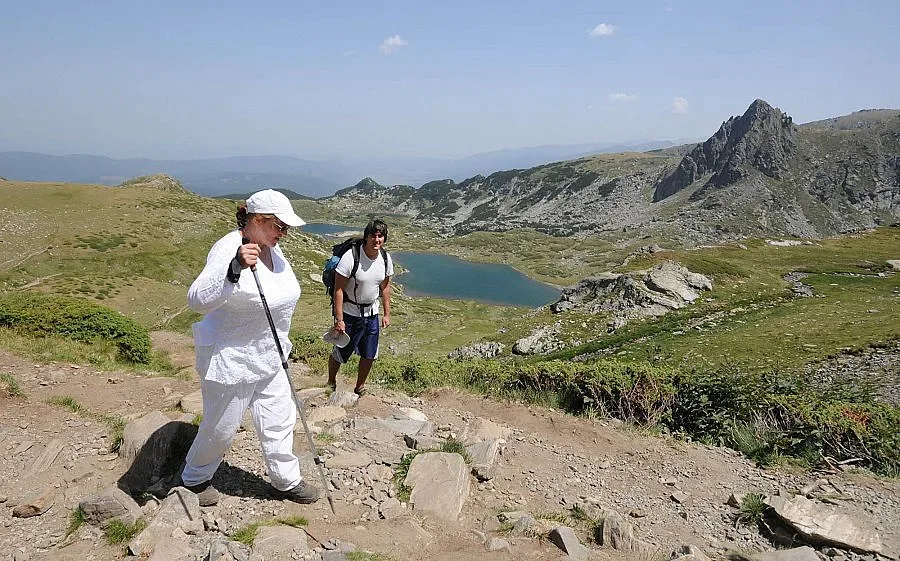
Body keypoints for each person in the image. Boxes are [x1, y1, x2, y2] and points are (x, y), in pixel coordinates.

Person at [180, 189, 319, 506]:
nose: (284, 233)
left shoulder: (272, 249)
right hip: (232, 358)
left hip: (272, 356)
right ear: (258, 220)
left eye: (285, 228)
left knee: (280, 419)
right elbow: (197, 300)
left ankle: (286, 481)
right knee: (222, 428)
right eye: (279, 226)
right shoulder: (230, 248)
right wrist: (233, 269)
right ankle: (194, 480)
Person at [326, 218, 394, 395]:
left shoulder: (385, 258)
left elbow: (385, 287)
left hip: (371, 314)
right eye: (373, 236)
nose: (377, 240)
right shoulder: (351, 257)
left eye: (381, 236)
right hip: (350, 313)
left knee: (369, 353)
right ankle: (331, 382)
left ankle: (360, 386)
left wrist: (386, 314)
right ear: (366, 237)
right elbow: (338, 289)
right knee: (341, 351)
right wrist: (339, 319)